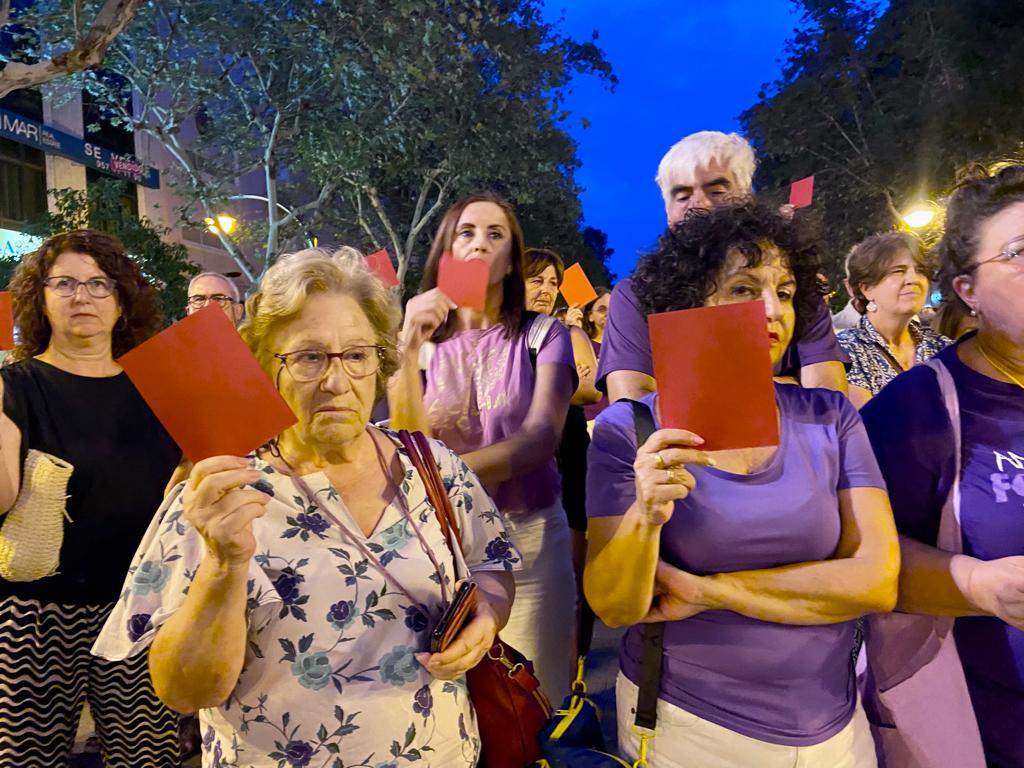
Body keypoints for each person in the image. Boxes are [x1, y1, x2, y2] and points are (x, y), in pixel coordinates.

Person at [93, 248, 519, 767]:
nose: (337, 381)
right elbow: (183, 691)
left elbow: (490, 563)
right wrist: (224, 564)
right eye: (309, 357)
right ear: (264, 366)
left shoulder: (434, 466)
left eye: (357, 355)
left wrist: (487, 618)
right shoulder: (218, 491)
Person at [586, 203, 897, 767]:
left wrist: (707, 592)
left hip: (835, 727)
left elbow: (877, 582)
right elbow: (614, 607)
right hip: (689, 727)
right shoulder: (628, 431)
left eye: (785, 289)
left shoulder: (830, 416)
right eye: (745, 288)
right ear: (689, 303)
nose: (772, 310)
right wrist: (645, 515)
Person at [861, 165, 1024, 767]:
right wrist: (977, 585)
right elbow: (863, 559)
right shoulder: (918, 410)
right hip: (983, 730)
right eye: (1021, 251)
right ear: (967, 292)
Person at [0, 230, 182, 766]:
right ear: (41, 299)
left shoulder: (163, 388)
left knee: (147, 758)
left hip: (142, 608)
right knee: (26, 759)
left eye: (98, 284)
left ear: (122, 299)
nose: (82, 296)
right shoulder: (16, 385)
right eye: (65, 284)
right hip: (36, 612)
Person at [388, 192, 578, 702]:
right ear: (446, 249)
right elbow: (408, 441)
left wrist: (442, 475)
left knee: (537, 696)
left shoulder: (543, 334)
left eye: (496, 235)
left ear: (512, 259)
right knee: (456, 695)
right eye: (467, 232)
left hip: (530, 539)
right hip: (443, 541)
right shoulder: (423, 342)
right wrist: (407, 349)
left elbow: (537, 441)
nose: (479, 244)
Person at [596, 130, 849, 403]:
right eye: (682, 196)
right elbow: (632, 408)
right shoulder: (635, 293)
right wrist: (785, 385)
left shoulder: (795, 283)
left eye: (716, 191)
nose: (699, 205)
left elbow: (828, 401)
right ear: (667, 210)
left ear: (747, 198)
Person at [523, 247, 599, 608]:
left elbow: (587, 389)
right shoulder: (495, 337)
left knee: (567, 574)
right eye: (537, 280)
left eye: (553, 282)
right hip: (517, 465)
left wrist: (529, 383)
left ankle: (575, 652)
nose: (547, 289)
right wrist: (559, 380)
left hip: (566, 450)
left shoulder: (567, 333)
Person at [837, 232, 951, 407]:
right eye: (898, 271)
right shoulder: (846, 350)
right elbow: (867, 424)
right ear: (867, 289)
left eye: (920, 270)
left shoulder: (941, 347)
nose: (913, 279)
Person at [581, 288, 612, 422]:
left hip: (623, 419)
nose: (608, 313)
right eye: (602, 309)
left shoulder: (624, 346)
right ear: (590, 316)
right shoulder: (582, 346)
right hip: (593, 419)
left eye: (613, 308)